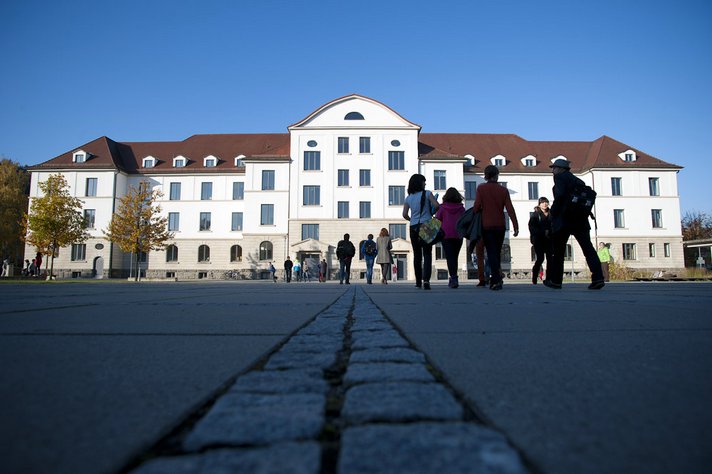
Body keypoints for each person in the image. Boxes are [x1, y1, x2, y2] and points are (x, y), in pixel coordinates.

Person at [544, 159, 605, 290]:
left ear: (560, 169)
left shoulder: (560, 178)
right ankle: (598, 277)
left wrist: (553, 212)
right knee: (588, 249)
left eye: (554, 168)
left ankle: (556, 280)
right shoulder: (578, 180)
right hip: (580, 219)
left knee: (559, 251)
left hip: (565, 219)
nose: (553, 171)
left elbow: (559, 197)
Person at [473, 165, 519, 291]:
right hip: (500, 226)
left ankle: (496, 280)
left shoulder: (481, 188)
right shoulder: (503, 190)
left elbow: (476, 207)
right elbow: (510, 209)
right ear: (497, 175)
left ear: (486, 176)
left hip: (486, 225)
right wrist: (515, 225)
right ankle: (496, 279)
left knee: (491, 252)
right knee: (496, 252)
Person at [403, 174, 440, 290]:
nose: (425, 184)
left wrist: (411, 220)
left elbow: (404, 214)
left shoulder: (408, 198)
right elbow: (437, 205)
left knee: (416, 254)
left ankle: (418, 281)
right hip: (426, 225)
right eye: (424, 181)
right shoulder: (427, 193)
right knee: (427, 253)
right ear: (420, 183)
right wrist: (431, 212)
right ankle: (426, 281)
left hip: (413, 227)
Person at [435, 187, 466, 288]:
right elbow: (464, 221)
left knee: (450, 257)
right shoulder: (461, 208)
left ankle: (453, 278)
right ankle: (454, 277)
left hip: (446, 235)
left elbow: (437, 220)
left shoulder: (442, 208)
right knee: (455, 257)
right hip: (458, 235)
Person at [528, 197, 553, 285]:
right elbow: (532, 228)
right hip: (538, 240)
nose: (544, 204)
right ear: (539, 204)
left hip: (549, 239)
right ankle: (534, 276)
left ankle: (549, 278)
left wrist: (550, 232)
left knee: (550, 258)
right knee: (540, 258)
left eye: (546, 202)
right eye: (542, 202)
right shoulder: (535, 215)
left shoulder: (551, 213)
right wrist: (543, 232)